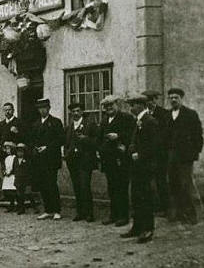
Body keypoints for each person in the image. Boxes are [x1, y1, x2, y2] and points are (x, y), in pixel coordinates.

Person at [121, 93, 159, 244]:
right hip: (137, 166)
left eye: (133, 104)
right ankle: (137, 227)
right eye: (130, 105)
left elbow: (154, 145)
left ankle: (148, 229)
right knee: (136, 197)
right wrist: (131, 149)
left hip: (145, 166)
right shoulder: (138, 121)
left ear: (142, 105)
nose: (131, 107)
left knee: (145, 197)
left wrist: (140, 154)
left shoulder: (150, 121)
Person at [166, 88, 203, 225]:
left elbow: (198, 136)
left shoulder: (190, 114)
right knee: (173, 184)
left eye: (176, 97)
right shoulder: (167, 115)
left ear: (181, 98)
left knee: (187, 184)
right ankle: (178, 213)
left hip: (185, 156)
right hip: (171, 156)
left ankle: (193, 214)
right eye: (171, 97)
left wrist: (194, 153)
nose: (173, 100)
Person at [98, 95, 136, 226]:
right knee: (112, 188)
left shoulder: (126, 118)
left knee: (122, 187)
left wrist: (118, 136)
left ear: (117, 105)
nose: (109, 108)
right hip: (108, 159)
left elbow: (133, 135)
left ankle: (123, 216)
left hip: (121, 159)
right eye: (106, 106)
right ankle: (113, 215)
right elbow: (100, 138)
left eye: (111, 105)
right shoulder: (104, 120)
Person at [64, 102, 98, 222]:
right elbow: (66, 143)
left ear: (82, 112)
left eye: (78, 110)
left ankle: (89, 213)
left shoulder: (90, 125)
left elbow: (97, 141)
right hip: (72, 162)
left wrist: (86, 139)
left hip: (85, 161)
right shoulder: (69, 127)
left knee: (85, 187)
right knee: (77, 187)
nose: (76, 113)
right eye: (73, 111)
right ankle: (80, 212)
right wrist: (67, 154)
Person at [30, 98, 64, 220]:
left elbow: (61, 139)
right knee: (43, 185)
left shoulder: (56, 122)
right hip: (39, 160)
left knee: (51, 184)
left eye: (45, 108)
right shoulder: (35, 124)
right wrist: (36, 148)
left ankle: (56, 210)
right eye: (40, 108)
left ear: (49, 108)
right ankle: (47, 210)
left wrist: (47, 147)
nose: (42, 110)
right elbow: (32, 140)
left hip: (51, 159)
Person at [143, 89, 170, 216]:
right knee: (148, 180)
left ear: (155, 100)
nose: (149, 102)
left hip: (159, 153)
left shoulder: (163, 113)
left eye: (151, 100)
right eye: (147, 100)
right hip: (147, 152)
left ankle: (165, 207)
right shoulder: (143, 115)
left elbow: (165, 133)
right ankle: (152, 206)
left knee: (161, 180)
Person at [13, 143, 31, 215]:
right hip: (17, 178)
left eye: (21, 151)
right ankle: (19, 206)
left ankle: (22, 207)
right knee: (18, 194)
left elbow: (28, 169)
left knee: (24, 194)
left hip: (24, 178)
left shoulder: (26, 160)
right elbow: (14, 168)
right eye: (18, 152)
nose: (19, 153)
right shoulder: (15, 159)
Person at [0, 141, 17, 212]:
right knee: (7, 191)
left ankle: (15, 204)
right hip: (7, 176)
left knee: (13, 190)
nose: (7, 150)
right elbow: (4, 167)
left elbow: (15, 167)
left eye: (8, 149)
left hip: (12, 176)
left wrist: (11, 172)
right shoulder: (6, 158)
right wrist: (4, 172)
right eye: (6, 149)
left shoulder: (15, 158)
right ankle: (11, 204)